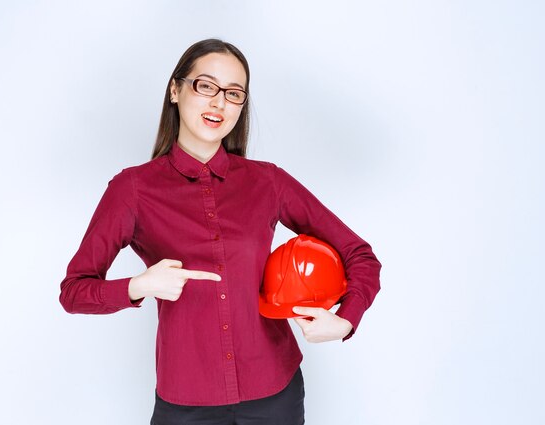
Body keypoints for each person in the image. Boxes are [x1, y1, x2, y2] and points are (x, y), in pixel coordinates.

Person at [59, 38, 381, 425]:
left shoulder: (268, 182)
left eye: (233, 93)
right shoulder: (132, 190)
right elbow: (74, 291)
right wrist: (139, 285)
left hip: (275, 390)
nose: (219, 103)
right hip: (186, 399)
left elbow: (359, 254)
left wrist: (346, 320)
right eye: (206, 86)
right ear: (175, 90)